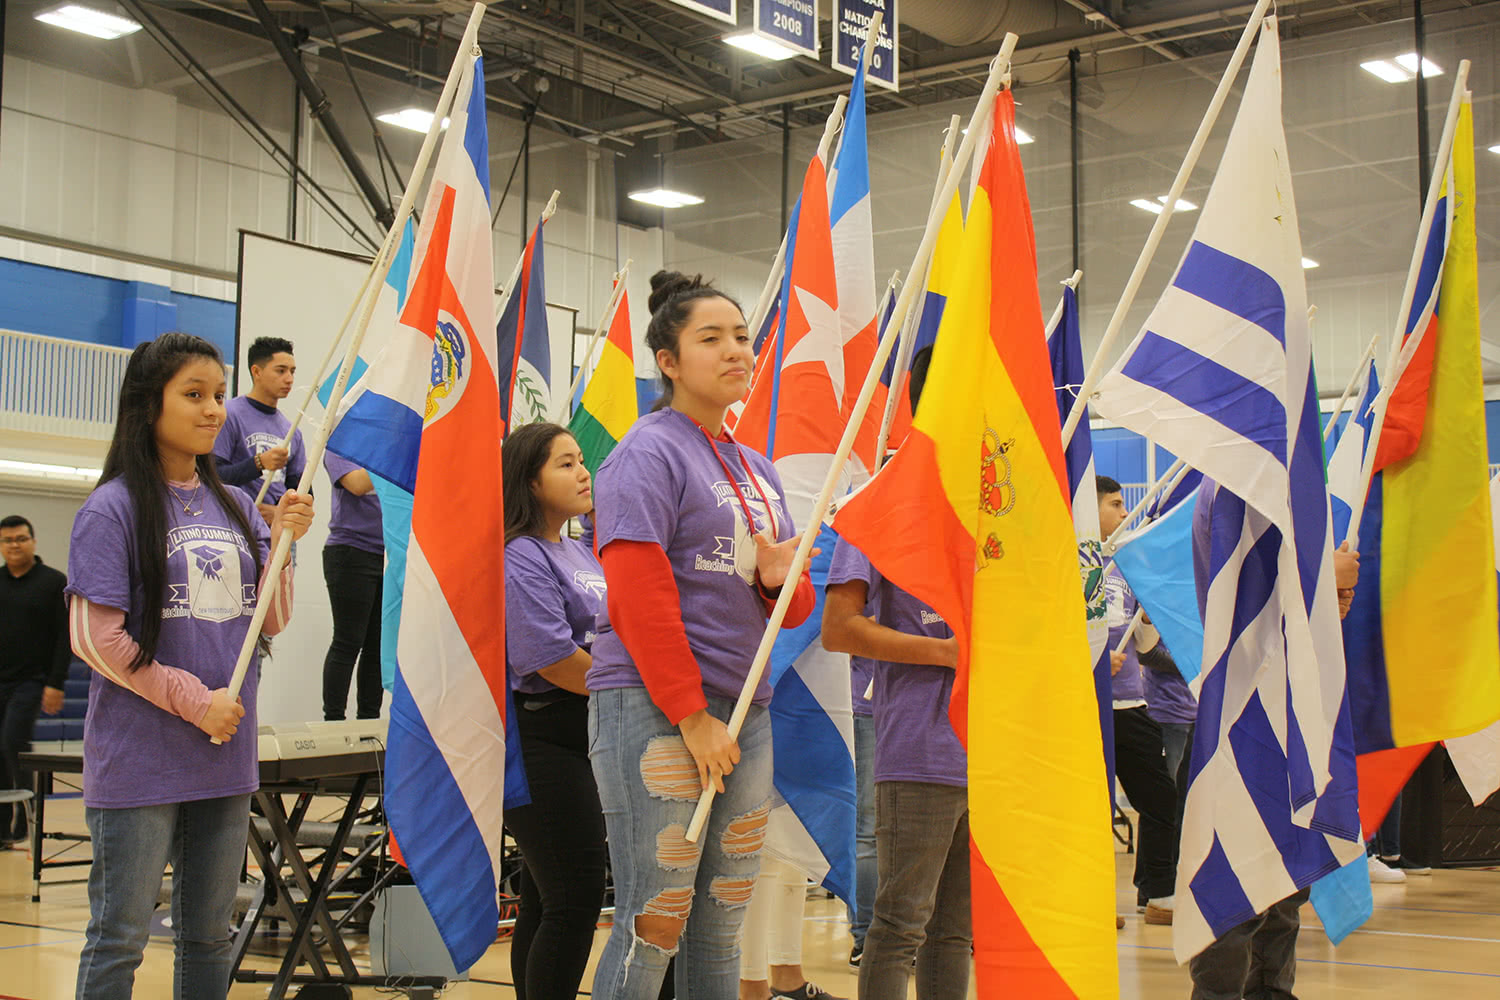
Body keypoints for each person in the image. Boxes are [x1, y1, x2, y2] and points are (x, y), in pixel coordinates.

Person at [587, 270, 815, 999]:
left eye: (742, 337)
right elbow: (636, 593)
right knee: (657, 921)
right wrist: (690, 713)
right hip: (657, 707)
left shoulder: (758, 469)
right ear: (668, 360)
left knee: (721, 924)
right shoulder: (645, 453)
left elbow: (794, 603)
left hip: (746, 708)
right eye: (711, 338)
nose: (735, 351)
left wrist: (779, 578)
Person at [66, 333, 314, 999]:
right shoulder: (111, 508)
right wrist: (192, 699)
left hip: (223, 758)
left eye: (217, 393)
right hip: (141, 756)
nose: (213, 410)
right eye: (194, 395)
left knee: (208, 936)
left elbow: (271, 620)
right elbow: (95, 640)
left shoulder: (238, 508)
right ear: (150, 407)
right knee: (119, 936)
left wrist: (284, 545)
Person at [1186, 478, 1361, 1000]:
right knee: (1237, 889)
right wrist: (1320, 579)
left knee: (1283, 891)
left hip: (1286, 714)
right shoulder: (1233, 482)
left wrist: (1325, 601)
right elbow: (1243, 600)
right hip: (1243, 718)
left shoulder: (1269, 483)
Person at [822, 535, 970, 1000]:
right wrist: (945, 652)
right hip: (919, 748)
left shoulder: (990, 509)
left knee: (954, 932)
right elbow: (838, 629)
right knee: (900, 925)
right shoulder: (879, 514)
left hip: (987, 753)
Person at [501, 422, 609, 1000]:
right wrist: (634, 687)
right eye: (565, 464)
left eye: (581, 460)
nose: (583, 472)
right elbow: (550, 658)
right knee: (575, 896)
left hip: (583, 735)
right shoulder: (519, 553)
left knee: (547, 898)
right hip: (540, 737)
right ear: (530, 481)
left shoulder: (577, 548)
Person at [1097, 476, 1180, 924]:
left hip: (1133, 706)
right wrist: (1092, 662)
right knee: (1093, 809)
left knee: (1161, 799)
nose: (1124, 511)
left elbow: (1144, 649)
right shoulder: (1078, 565)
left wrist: (1149, 619)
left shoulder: (1129, 568)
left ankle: (1157, 894)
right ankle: (1092, 900)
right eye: (1115, 503)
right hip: (1092, 708)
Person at [0, 515, 69, 846]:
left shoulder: (53, 582)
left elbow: (63, 637)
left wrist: (55, 683)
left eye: (20, 539)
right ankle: (3, 831)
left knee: (13, 742)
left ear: (33, 541)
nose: (14, 545)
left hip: (32, 681)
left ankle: (26, 819)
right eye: (7, 540)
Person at [321, 452, 384, 721]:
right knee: (348, 641)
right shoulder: (339, 445)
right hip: (350, 550)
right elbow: (357, 484)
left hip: (387, 553)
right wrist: (393, 454)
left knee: (377, 647)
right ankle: (333, 722)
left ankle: (368, 723)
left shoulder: (381, 443)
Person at [214, 336, 304, 525]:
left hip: (277, 531)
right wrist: (258, 463)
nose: (289, 379)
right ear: (256, 372)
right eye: (281, 371)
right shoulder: (229, 414)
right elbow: (214, 475)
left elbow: (301, 490)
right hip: (236, 525)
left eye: (292, 372)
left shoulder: (292, 431)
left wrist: (280, 510)